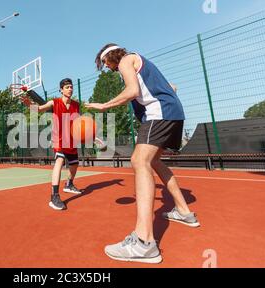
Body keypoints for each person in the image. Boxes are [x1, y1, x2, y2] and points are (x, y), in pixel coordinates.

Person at [86, 44, 200, 264]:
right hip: (173, 114)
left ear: (109, 58)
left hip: (159, 115)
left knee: (139, 160)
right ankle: (184, 211)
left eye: (106, 64)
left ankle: (144, 242)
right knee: (153, 161)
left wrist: (104, 106)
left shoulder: (125, 61)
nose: (108, 68)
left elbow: (132, 92)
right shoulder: (140, 61)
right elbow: (172, 87)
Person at [20, 78, 82, 211]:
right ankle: (54, 196)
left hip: (71, 139)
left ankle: (69, 184)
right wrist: (29, 104)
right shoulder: (54, 102)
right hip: (58, 138)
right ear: (61, 90)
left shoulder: (76, 105)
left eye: (71, 87)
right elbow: (40, 109)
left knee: (75, 164)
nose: (70, 89)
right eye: (67, 87)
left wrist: (93, 136)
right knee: (59, 160)